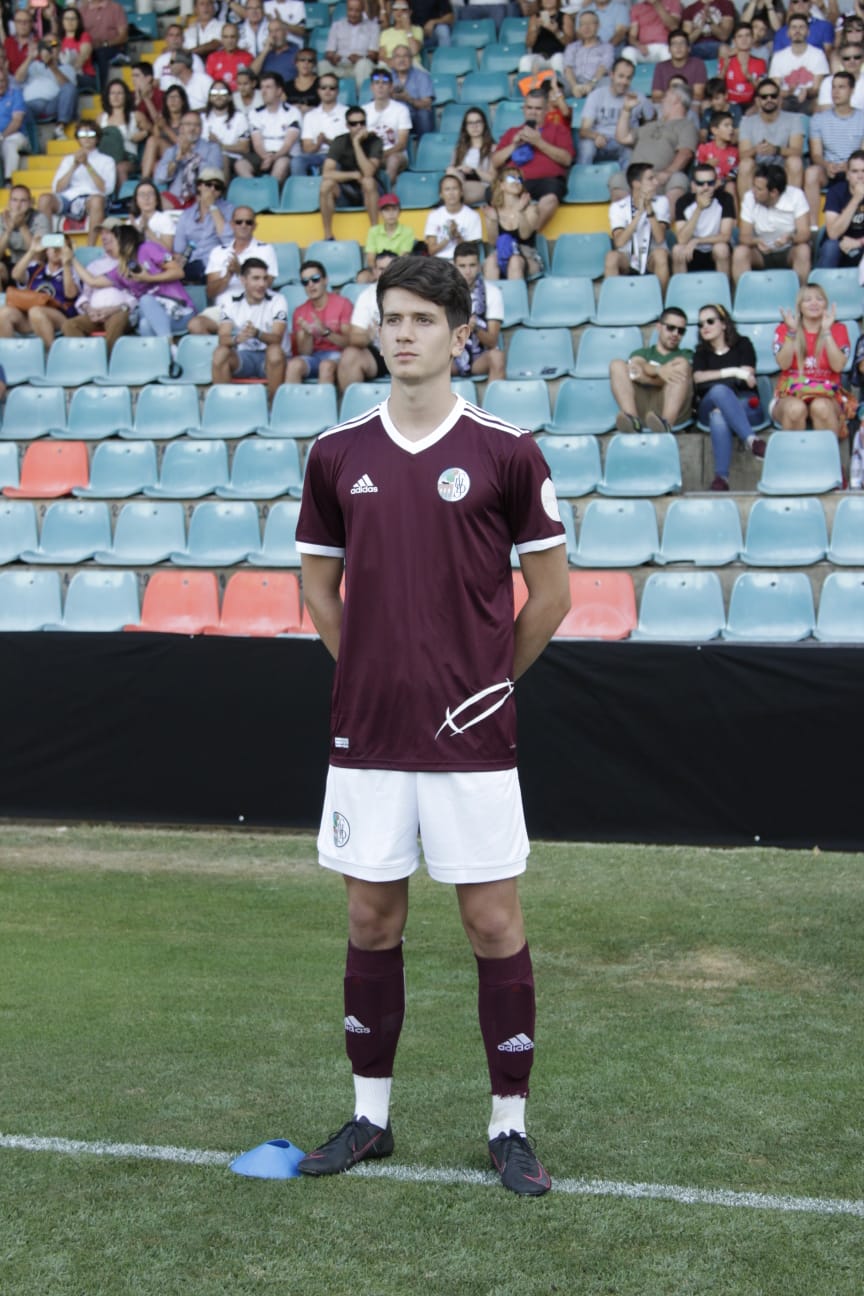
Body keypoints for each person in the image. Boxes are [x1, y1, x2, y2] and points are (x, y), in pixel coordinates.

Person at [294, 254, 569, 1196]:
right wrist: (369, 671)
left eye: (421, 319)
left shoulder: (508, 450)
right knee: (372, 916)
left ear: (462, 335)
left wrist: (486, 684)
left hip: (472, 740)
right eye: (391, 318)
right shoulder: (336, 454)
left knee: (492, 922)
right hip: (366, 733)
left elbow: (554, 594)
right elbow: (320, 589)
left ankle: (510, 1125)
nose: (402, 333)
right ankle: (371, 1116)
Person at [73, 223, 194, 338]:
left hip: (179, 312)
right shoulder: (121, 270)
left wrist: (149, 278)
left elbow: (178, 272)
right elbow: (92, 281)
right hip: (155, 318)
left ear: (123, 241)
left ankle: (168, 342)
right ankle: (166, 353)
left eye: (113, 241)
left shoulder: (147, 248)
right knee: (144, 325)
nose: (109, 246)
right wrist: (71, 259)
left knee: (145, 300)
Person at [693, 302, 766, 490]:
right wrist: (733, 372)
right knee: (718, 392)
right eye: (700, 324)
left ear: (724, 324)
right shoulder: (701, 352)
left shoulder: (743, 344)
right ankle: (752, 440)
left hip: (745, 405)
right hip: (707, 405)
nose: (705, 327)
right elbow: (698, 379)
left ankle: (721, 478)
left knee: (719, 413)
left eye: (710, 321)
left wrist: (717, 377)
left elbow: (746, 379)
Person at [772, 283, 850, 438]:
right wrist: (792, 332)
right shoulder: (784, 329)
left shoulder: (838, 329)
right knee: (795, 409)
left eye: (819, 299)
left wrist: (827, 332)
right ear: (799, 306)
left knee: (821, 406)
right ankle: (794, 461)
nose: (814, 303)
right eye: (807, 300)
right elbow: (783, 364)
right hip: (789, 394)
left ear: (825, 304)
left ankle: (828, 460)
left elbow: (838, 366)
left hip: (828, 395)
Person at [491, 88, 575, 233]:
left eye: (538, 108)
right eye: (529, 107)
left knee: (551, 199)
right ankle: (511, 233)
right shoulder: (513, 132)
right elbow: (495, 161)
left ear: (546, 110)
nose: (532, 112)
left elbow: (567, 160)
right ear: (524, 109)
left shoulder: (558, 130)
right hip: (516, 179)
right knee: (495, 193)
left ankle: (529, 235)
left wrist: (539, 142)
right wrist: (514, 145)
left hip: (547, 180)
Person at [187, 205, 277, 333]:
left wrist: (240, 271)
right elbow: (210, 292)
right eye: (239, 222)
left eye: (248, 222)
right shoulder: (219, 252)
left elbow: (266, 286)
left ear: (255, 226)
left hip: (253, 308)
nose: (243, 225)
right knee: (195, 324)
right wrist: (228, 276)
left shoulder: (265, 250)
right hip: (224, 309)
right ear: (232, 225)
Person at [614, 82, 697, 214]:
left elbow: (685, 153)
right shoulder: (650, 125)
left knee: (679, 179)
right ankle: (628, 227)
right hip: (635, 177)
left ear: (676, 99)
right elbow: (622, 137)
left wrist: (668, 172)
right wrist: (626, 110)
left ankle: (662, 229)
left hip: (660, 178)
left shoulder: (686, 126)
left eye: (666, 96)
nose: (662, 100)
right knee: (618, 179)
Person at [609, 306, 693, 433]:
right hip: (643, 406)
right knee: (616, 364)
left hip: (670, 407)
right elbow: (637, 367)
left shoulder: (685, 354)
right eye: (670, 328)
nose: (675, 334)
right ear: (659, 327)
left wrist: (647, 378)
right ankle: (633, 421)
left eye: (681, 331)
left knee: (682, 366)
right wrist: (660, 371)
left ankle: (666, 425)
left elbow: (677, 379)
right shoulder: (643, 352)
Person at [213, 256, 286, 398]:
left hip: (269, 360)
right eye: (256, 278)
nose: (262, 284)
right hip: (244, 358)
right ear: (243, 280)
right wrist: (237, 339)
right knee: (220, 352)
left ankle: (275, 406)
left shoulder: (278, 300)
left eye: (265, 279)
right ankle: (223, 405)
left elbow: (277, 338)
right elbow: (223, 338)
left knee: (275, 351)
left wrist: (257, 333)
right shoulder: (231, 301)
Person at [61, 216, 134, 351]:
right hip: (94, 315)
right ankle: (87, 361)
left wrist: (113, 309)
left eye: (109, 233)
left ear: (121, 237)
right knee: (69, 325)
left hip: (120, 313)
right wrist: (90, 309)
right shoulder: (94, 265)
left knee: (119, 318)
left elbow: (136, 296)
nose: (104, 237)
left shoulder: (131, 263)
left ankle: (105, 360)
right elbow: (85, 294)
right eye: (103, 233)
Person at [733, 161, 811, 284]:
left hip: (788, 250)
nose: (753, 191)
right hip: (760, 252)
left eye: (758, 189)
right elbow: (744, 236)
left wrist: (790, 237)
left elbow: (804, 233)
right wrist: (756, 241)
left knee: (803, 250)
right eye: (753, 186)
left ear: (773, 192)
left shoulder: (796, 195)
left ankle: (800, 297)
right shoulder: (749, 197)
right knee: (740, 253)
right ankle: (745, 298)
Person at [38, 121, 116, 246]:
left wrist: (87, 165)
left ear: (97, 138)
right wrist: (74, 166)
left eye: (91, 134)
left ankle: (89, 247)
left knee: (97, 200)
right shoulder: (68, 160)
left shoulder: (107, 160)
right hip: (69, 198)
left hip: (92, 198)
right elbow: (57, 188)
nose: (86, 138)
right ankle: (50, 246)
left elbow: (106, 189)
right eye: (82, 134)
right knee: (44, 199)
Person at [0, 233, 80, 350]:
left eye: (61, 247)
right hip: (30, 316)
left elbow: (71, 294)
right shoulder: (37, 268)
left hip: (61, 316)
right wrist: (32, 251)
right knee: (4, 313)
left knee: (36, 311)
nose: (57, 250)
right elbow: (16, 275)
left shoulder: (73, 270)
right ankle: (7, 357)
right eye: (53, 247)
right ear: (46, 250)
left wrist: (66, 264)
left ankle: (51, 355)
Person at [804, 71, 864, 225]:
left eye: (841, 87)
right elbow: (816, 154)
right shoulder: (818, 119)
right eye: (833, 87)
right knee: (811, 172)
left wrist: (848, 167)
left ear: (852, 90)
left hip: (856, 169)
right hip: (829, 170)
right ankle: (813, 227)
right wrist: (826, 165)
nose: (835, 92)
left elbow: (862, 152)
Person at [604, 161, 671, 292]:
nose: (656, 182)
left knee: (661, 255)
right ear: (636, 183)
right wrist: (639, 214)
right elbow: (619, 242)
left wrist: (649, 209)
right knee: (611, 257)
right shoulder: (618, 207)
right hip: (628, 257)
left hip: (652, 255)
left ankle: (662, 304)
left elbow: (660, 239)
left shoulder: (662, 202)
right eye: (650, 179)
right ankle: (613, 303)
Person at [577, 56, 654, 168]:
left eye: (628, 78)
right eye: (621, 76)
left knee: (629, 151)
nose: (624, 81)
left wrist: (637, 137)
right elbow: (583, 130)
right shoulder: (597, 95)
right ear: (611, 75)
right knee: (586, 146)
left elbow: (652, 122)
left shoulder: (639, 98)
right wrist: (596, 136)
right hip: (599, 142)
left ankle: (625, 184)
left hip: (623, 143)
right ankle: (581, 181)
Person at [335, 248, 395, 391]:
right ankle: (352, 411)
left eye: (390, 269)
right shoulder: (367, 296)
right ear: (374, 272)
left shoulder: (414, 293)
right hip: (378, 353)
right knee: (350, 355)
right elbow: (355, 336)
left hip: (408, 352)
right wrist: (368, 336)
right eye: (381, 269)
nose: (385, 273)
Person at [285, 260, 352, 385]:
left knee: (326, 366)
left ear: (325, 280)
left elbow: (349, 342)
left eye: (315, 279)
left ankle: (324, 405)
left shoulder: (343, 304)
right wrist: (308, 334)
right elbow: (305, 353)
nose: (310, 285)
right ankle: (293, 404)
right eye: (305, 282)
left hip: (339, 356)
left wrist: (325, 332)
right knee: (294, 365)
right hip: (314, 357)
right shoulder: (299, 312)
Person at [320, 108, 384, 237]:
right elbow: (326, 173)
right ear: (347, 126)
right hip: (347, 189)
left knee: (368, 182)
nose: (359, 126)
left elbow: (368, 172)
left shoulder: (375, 141)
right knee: (326, 185)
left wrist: (356, 144)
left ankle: (375, 232)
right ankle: (328, 235)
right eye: (354, 124)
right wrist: (353, 175)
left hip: (371, 191)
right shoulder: (340, 141)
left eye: (362, 122)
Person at [736, 76, 804, 198]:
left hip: (782, 168)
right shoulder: (747, 122)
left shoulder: (794, 119)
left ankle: (791, 210)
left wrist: (776, 150)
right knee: (745, 164)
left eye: (773, 96)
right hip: (758, 168)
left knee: (795, 161)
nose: (769, 99)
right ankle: (747, 213)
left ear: (779, 99)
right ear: (757, 101)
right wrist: (756, 150)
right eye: (764, 97)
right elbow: (743, 155)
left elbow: (797, 151)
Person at [451, 240, 505, 380]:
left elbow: (492, 341)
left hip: (478, 357)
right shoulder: (443, 293)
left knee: (497, 357)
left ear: (480, 267)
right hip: (450, 356)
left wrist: (474, 328)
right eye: (462, 266)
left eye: (472, 265)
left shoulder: (492, 292)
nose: (468, 271)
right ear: (454, 267)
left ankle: (493, 402)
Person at [672, 162, 735, 276]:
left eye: (710, 183)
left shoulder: (725, 199)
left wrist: (697, 241)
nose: (706, 187)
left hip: (714, 249)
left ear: (716, 183)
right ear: (693, 185)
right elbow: (681, 239)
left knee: (721, 248)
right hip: (691, 251)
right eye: (700, 184)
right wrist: (699, 209)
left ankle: (724, 290)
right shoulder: (683, 202)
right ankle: (681, 292)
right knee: (677, 250)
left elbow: (725, 236)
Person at [174, 166, 234, 281]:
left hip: (216, 264)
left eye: (217, 187)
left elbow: (228, 239)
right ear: (199, 186)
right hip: (192, 264)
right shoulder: (187, 215)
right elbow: (179, 248)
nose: (212, 189)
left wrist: (212, 206)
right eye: (208, 184)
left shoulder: (229, 209)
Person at [482, 167, 542, 280]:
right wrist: (494, 221)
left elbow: (525, 235)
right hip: (501, 254)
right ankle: (492, 297)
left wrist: (520, 212)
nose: (516, 181)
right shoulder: (492, 211)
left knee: (515, 261)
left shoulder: (530, 209)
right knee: (490, 262)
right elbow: (493, 242)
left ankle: (515, 297)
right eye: (511, 178)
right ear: (502, 185)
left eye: (519, 179)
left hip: (526, 255)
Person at [154, 110, 224, 207]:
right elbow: (159, 178)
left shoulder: (212, 148)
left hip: (201, 197)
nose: (192, 128)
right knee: (156, 200)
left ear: (201, 129)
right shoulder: (172, 151)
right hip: (176, 197)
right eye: (188, 124)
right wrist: (176, 160)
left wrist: (190, 154)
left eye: (196, 125)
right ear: (181, 128)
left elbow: (213, 175)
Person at [19, 35, 78, 139]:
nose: (49, 47)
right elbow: (18, 79)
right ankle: (31, 138)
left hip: (52, 105)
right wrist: (30, 57)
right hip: (30, 105)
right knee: (18, 105)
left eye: (53, 44)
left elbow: (68, 88)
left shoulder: (67, 68)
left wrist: (51, 65)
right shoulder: (33, 65)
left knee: (70, 88)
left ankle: (60, 128)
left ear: (60, 47)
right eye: (45, 44)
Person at [768, 13, 829, 113]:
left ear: (808, 32)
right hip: (786, 99)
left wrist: (806, 92)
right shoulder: (778, 57)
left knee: (819, 103)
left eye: (801, 27)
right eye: (794, 27)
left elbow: (817, 88)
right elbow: (776, 89)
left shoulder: (818, 54)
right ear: (788, 33)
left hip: (809, 99)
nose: (797, 31)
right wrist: (789, 92)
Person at [249, 71, 301, 184]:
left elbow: (287, 145)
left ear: (279, 91)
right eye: (262, 87)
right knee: (240, 164)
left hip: (284, 154)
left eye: (268, 87)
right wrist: (265, 157)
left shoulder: (292, 112)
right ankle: (254, 189)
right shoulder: (255, 113)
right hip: (262, 154)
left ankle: (268, 195)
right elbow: (257, 143)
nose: (263, 91)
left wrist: (272, 158)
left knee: (281, 164)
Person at [818, 147, 864, 266]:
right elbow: (833, 233)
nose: (860, 176)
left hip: (861, 245)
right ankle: (823, 284)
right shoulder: (835, 192)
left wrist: (859, 242)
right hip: (839, 245)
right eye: (855, 171)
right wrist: (856, 199)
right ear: (847, 175)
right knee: (830, 246)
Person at [295, 71, 347, 175]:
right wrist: (318, 144)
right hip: (315, 154)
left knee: (331, 164)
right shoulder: (310, 116)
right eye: (323, 88)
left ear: (337, 91)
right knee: (297, 162)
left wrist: (328, 141)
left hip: (338, 157)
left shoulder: (346, 113)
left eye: (331, 88)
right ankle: (302, 190)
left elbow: (347, 147)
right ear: (318, 91)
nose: (327, 91)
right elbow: (306, 147)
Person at [321, 0, 381, 89]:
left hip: (360, 66)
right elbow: (329, 52)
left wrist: (360, 58)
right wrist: (332, 58)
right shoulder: (337, 26)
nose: (353, 14)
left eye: (357, 11)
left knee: (364, 64)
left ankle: (360, 98)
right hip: (340, 66)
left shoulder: (372, 27)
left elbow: (373, 55)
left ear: (362, 10)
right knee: (323, 65)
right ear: (346, 9)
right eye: (350, 10)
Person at [202, 78, 254, 179]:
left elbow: (245, 147)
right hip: (205, 157)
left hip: (231, 158)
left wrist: (220, 146)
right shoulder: (202, 118)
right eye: (214, 92)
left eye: (222, 92)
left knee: (222, 158)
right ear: (209, 97)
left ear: (229, 97)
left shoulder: (239, 117)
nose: (218, 96)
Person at [0, 184, 50, 288]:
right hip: (13, 262)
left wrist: (22, 225)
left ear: (30, 202)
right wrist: (8, 230)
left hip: (34, 264)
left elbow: (38, 254)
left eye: (23, 201)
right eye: (14, 200)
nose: (18, 205)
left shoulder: (40, 218)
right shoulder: (3, 219)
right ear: (9, 202)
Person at [425, 174, 483, 259]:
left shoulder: (473, 216)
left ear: (461, 192)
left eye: (455, 188)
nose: (451, 193)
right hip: (439, 262)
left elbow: (471, 252)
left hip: (462, 261)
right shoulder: (434, 216)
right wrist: (448, 236)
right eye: (447, 189)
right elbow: (432, 250)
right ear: (441, 194)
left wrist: (457, 235)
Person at [140, 82, 189, 181]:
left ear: (183, 101)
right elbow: (154, 145)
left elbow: (184, 146)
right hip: (165, 158)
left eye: (176, 97)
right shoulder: (163, 120)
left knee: (153, 141)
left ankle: (144, 181)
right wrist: (158, 127)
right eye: (170, 98)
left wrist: (165, 128)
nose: (172, 101)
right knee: (156, 163)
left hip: (182, 156)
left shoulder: (188, 120)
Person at [446, 108, 495, 207]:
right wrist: (460, 170)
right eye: (470, 123)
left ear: (484, 124)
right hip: (461, 181)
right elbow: (451, 175)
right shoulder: (458, 149)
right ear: (465, 127)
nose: (474, 126)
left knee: (451, 193)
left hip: (482, 184)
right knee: (450, 171)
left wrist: (474, 171)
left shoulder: (493, 148)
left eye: (478, 122)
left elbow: (493, 179)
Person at [561, 10, 613, 101]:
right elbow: (568, 69)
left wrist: (591, 84)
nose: (586, 27)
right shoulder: (572, 47)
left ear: (598, 26)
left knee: (610, 83)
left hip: (596, 83)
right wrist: (574, 86)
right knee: (551, 83)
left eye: (590, 23)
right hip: (574, 82)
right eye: (583, 24)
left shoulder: (607, 47)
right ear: (579, 28)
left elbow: (603, 68)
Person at [98, 77, 140, 188]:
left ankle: (124, 199)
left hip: (128, 159)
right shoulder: (101, 118)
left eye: (119, 93)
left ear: (126, 96)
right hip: (105, 158)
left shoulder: (135, 116)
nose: (115, 97)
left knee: (119, 167)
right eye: (112, 93)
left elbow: (154, 130)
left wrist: (143, 133)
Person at [79, 0, 129, 91]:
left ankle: (103, 90)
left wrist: (105, 44)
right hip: (90, 48)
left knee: (101, 52)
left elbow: (124, 36)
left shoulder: (115, 8)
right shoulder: (83, 10)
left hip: (112, 47)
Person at [720, 22, 767, 117]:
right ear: (734, 41)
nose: (744, 39)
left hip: (750, 105)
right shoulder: (726, 60)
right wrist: (724, 69)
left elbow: (763, 91)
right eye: (740, 36)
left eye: (747, 35)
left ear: (753, 39)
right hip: (729, 105)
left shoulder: (760, 63)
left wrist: (749, 77)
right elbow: (717, 87)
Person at [387, 43, 434, 138]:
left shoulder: (422, 76)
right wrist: (390, 95)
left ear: (411, 60)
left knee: (424, 114)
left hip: (414, 117)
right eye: (398, 56)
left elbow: (427, 105)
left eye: (405, 56)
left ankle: (425, 145)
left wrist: (408, 99)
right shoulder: (387, 77)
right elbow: (377, 101)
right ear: (392, 61)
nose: (402, 60)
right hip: (393, 117)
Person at [363, 193, 416, 273]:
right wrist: (376, 271)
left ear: (399, 212)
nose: (391, 214)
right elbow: (370, 258)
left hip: (398, 269)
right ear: (380, 213)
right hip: (378, 269)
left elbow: (402, 257)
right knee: (362, 278)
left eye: (394, 209)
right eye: (386, 210)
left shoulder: (407, 231)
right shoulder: (373, 231)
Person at [652, 29, 708, 102]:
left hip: (690, 104)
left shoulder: (698, 64)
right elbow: (656, 96)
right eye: (674, 44)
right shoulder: (660, 67)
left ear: (689, 48)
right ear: (669, 49)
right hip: (667, 104)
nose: (678, 47)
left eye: (682, 43)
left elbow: (698, 94)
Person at [520, 0, 575, 76]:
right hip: (540, 56)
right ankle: (526, 86)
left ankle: (560, 85)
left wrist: (556, 31)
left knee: (558, 59)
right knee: (525, 60)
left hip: (559, 55)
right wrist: (536, 30)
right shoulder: (534, 18)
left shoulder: (565, 17)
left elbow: (570, 44)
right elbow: (529, 44)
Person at [623, 0, 683, 64]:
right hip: (644, 48)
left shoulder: (673, 2)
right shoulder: (637, 8)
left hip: (664, 46)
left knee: (667, 52)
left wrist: (657, 4)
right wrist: (638, 45)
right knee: (627, 52)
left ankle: (668, 73)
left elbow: (674, 27)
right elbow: (632, 36)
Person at [154, 25, 205, 92]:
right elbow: (155, 83)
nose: (175, 38)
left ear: (183, 38)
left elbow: (201, 82)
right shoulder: (160, 60)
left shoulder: (195, 59)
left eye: (178, 35)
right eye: (171, 35)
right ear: (166, 39)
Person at [0, 64, 28, 187]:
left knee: (9, 143)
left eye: (3, 80)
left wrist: (1, 136)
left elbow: (17, 121)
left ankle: (9, 181)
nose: (1, 84)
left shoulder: (15, 94)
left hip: (14, 135)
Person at [128, 179, 176, 250]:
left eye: (150, 194)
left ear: (156, 199)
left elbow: (167, 250)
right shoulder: (131, 223)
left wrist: (147, 230)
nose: (146, 198)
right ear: (136, 200)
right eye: (142, 194)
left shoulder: (164, 219)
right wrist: (135, 230)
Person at [206, 23, 253, 90]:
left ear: (238, 38)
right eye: (226, 37)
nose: (229, 41)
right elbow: (209, 83)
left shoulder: (248, 57)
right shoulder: (213, 57)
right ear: (221, 39)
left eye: (232, 37)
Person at [59, 6, 96, 92]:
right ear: (62, 22)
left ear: (78, 21)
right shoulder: (59, 40)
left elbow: (84, 55)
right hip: (64, 76)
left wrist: (71, 72)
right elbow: (50, 46)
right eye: (67, 19)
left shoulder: (84, 36)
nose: (70, 22)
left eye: (73, 19)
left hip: (84, 76)